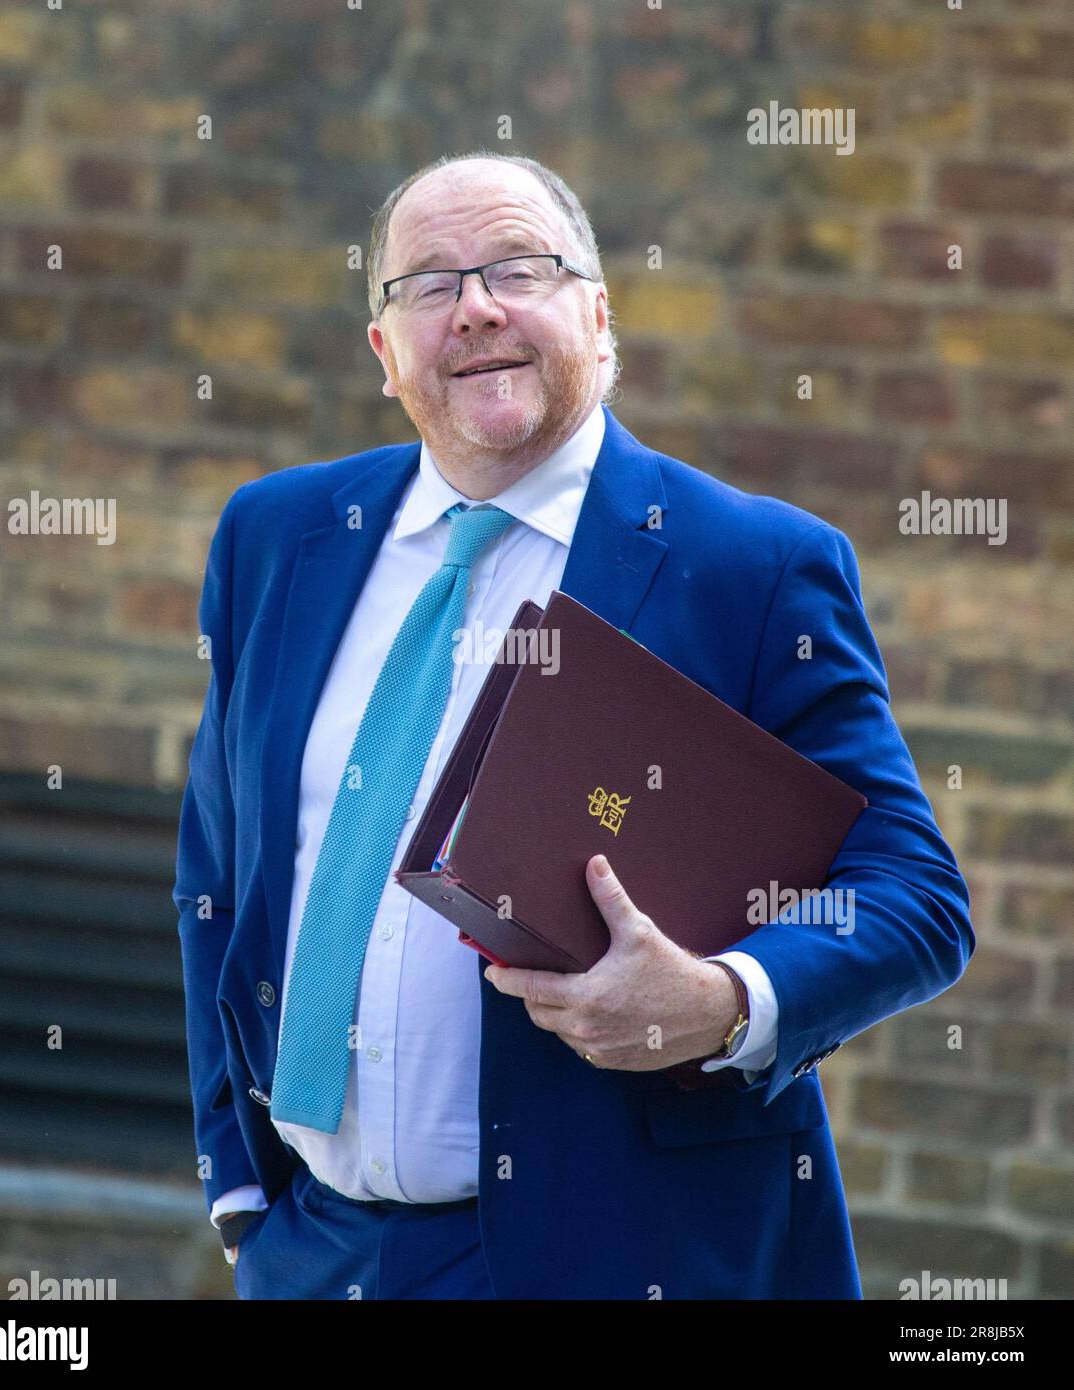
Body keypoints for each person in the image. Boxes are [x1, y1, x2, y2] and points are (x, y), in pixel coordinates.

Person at [172, 149, 973, 1300]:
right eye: (429, 284)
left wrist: (725, 1000)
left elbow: (913, 893)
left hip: (615, 1256)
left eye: (518, 267)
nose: (477, 307)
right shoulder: (276, 538)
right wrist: (242, 1196)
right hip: (316, 1255)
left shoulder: (749, 566)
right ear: (384, 352)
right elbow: (217, 869)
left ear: (600, 319)